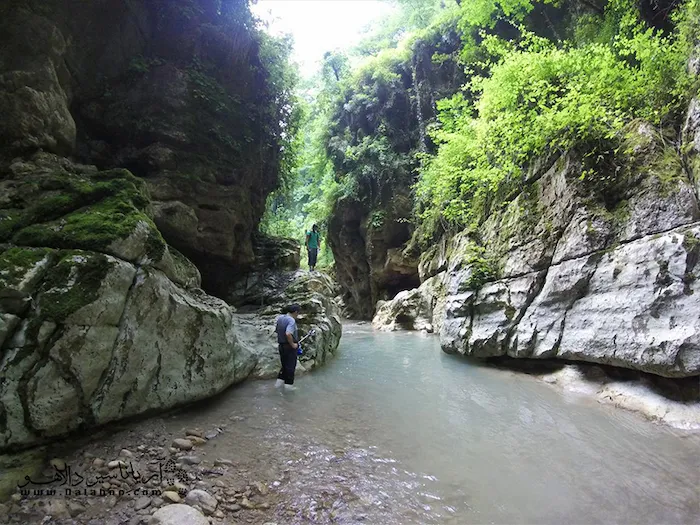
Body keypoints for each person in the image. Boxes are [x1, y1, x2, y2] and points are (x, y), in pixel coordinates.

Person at [275, 304, 301, 390]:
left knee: (284, 366)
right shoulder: (291, 320)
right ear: (296, 312)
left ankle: (278, 385)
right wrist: (293, 344)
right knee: (290, 367)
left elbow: (277, 331)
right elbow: (288, 333)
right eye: (298, 313)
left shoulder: (280, 318)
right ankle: (289, 387)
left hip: (281, 346)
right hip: (289, 347)